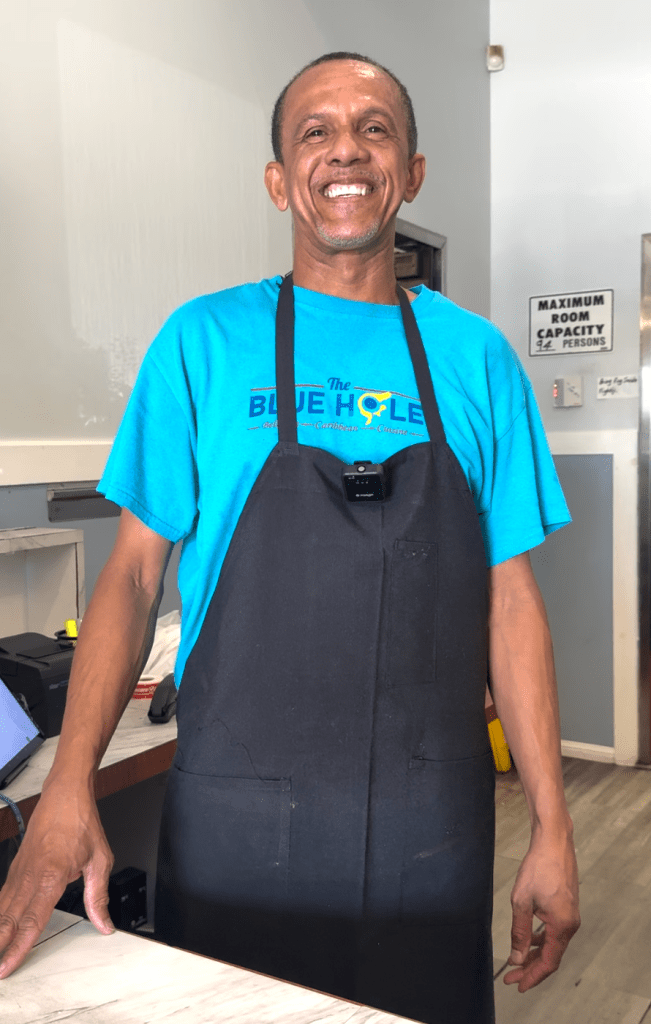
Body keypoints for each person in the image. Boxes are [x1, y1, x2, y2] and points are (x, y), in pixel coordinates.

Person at [0, 51, 579, 1024]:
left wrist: (556, 826)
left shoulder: (478, 361)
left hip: (429, 833)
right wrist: (67, 788)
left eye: (375, 127)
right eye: (316, 130)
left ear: (414, 170)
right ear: (279, 178)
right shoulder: (203, 343)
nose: (345, 148)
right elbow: (133, 578)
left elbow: (511, 603)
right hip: (237, 827)